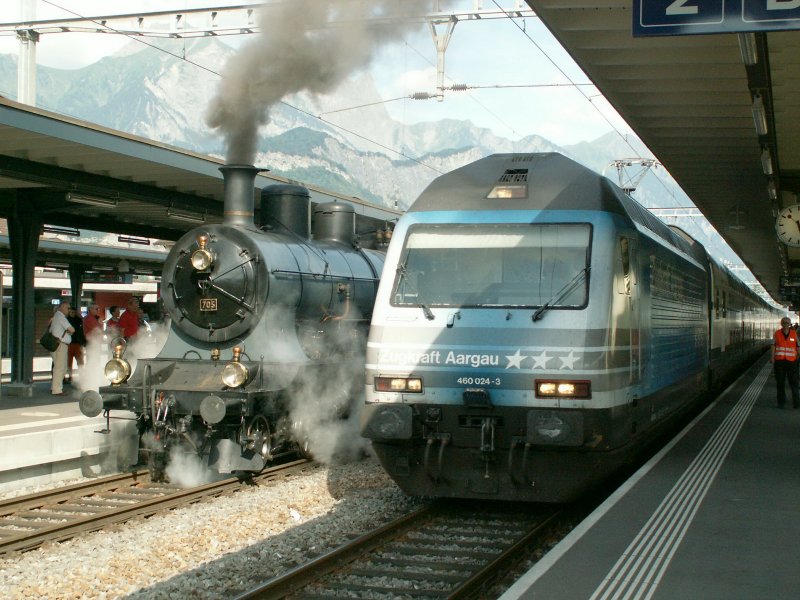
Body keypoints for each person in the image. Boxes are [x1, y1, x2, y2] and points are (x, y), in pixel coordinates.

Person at [770, 317, 800, 409]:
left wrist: (798, 356)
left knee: (794, 383)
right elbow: (773, 346)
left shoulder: (794, 334)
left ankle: (797, 403)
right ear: (781, 324)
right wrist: (772, 357)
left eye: (787, 323)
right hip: (779, 361)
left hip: (791, 362)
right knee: (780, 382)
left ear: (790, 324)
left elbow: (798, 346)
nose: (785, 324)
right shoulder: (777, 334)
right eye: (784, 323)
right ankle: (781, 403)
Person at [49, 300, 74, 396]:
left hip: (55, 345)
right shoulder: (61, 317)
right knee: (61, 368)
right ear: (62, 307)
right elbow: (72, 329)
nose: (69, 310)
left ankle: (54, 387)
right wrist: (70, 332)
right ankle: (57, 390)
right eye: (68, 308)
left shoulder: (55, 317)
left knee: (58, 367)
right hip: (61, 345)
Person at [65, 308, 86, 383]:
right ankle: (70, 376)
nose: (72, 313)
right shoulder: (66, 319)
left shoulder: (78, 320)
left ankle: (81, 375)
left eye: (73, 312)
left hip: (77, 342)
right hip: (70, 343)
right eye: (70, 312)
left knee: (79, 361)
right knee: (69, 361)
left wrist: (80, 317)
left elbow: (84, 324)